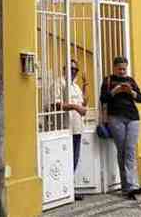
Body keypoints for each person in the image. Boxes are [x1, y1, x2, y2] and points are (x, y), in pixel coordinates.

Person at [100, 56, 141, 200]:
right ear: (114, 68)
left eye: (124, 69)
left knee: (130, 150)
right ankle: (126, 186)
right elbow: (103, 99)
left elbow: (140, 99)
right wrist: (115, 91)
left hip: (133, 117)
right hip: (115, 118)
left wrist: (131, 92)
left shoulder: (130, 80)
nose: (122, 71)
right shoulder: (108, 81)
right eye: (119, 69)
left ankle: (131, 185)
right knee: (122, 151)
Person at [60, 59, 87, 200]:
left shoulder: (75, 86)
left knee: (74, 159)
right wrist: (75, 107)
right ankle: (66, 189)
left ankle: (70, 187)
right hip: (66, 127)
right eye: (70, 69)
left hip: (77, 127)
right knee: (67, 159)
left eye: (75, 70)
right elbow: (56, 105)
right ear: (64, 69)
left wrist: (86, 85)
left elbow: (84, 102)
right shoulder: (60, 83)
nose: (73, 72)